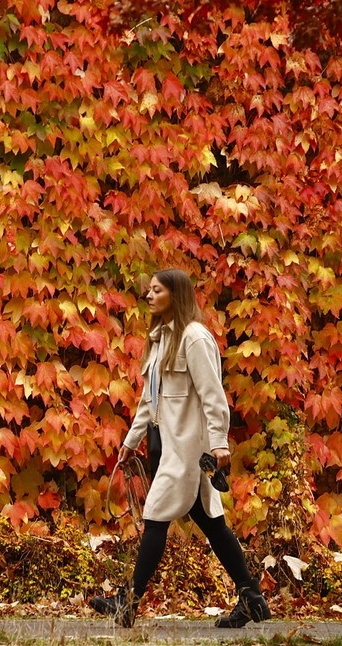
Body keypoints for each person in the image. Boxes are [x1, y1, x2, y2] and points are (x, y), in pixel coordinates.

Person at [89, 268, 271, 628]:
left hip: (189, 449)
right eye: (150, 290)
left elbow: (213, 396)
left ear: (176, 294)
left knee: (155, 516)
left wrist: (219, 442)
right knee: (212, 523)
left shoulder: (194, 339)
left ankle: (128, 603)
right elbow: (149, 399)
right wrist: (131, 441)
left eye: (157, 290)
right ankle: (251, 597)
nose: (149, 296)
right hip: (164, 444)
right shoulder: (159, 340)